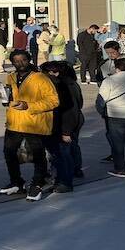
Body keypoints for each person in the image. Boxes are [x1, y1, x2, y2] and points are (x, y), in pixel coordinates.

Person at [0, 50, 57, 202]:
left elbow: (53, 101)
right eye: (16, 61)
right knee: (9, 153)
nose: (20, 63)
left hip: (34, 123)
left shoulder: (41, 78)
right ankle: (16, 182)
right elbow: (11, 98)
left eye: (23, 60)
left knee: (38, 155)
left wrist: (29, 106)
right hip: (14, 123)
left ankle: (38, 183)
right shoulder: (10, 77)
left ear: (29, 60)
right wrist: (5, 97)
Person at [41, 61, 84, 192]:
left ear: (54, 73)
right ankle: (65, 176)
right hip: (69, 122)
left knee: (62, 154)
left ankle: (65, 182)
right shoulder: (69, 83)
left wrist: (66, 132)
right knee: (67, 151)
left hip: (65, 124)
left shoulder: (63, 87)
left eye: (44, 73)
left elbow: (69, 110)